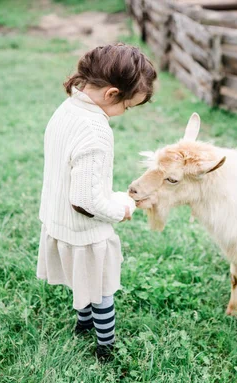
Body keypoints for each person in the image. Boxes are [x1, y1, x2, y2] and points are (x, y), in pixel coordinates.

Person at [36, 44, 157, 361]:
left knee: (82, 277)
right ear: (113, 94)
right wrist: (120, 209)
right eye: (128, 106)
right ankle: (106, 345)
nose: (124, 113)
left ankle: (82, 323)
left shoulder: (67, 109)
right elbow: (85, 198)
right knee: (102, 289)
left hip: (58, 218)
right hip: (84, 228)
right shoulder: (95, 130)